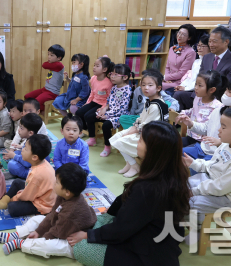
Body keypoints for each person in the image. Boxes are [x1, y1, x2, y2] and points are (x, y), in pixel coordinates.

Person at [68, 121, 190, 266]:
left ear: (153, 150)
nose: (137, 143)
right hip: (160, 241)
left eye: (141, 140)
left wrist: (89, 235)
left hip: (147, 255)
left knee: (83, 249)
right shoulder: (173, 173)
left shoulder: (148, 188)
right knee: (103, 218)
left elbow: (123, 228)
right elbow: (126, 202)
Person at [0, 163, 96, 258]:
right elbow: (53, 215)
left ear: (67, 192)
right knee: (37, 219)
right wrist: (39, 231)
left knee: (48, 245)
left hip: (72, 239)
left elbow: (58, 232)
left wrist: (40, 237)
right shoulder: (63, 196)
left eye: (56, 182)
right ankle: (16, 235)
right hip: (63, 226)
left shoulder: (71, 211)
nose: (53, 184)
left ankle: (22, 243)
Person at [183, 105, 231, 226]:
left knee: (187, 203)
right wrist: (194, 163)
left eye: (223, 127)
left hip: (226, 197)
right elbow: (212, 165)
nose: (219, 130)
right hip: (211, 182)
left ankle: (197, 228)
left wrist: (195, 191)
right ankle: (193, 224)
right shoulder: (225, 145)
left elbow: (221, 187)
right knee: (177, 188)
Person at [181, 77, 231, 166]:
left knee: (194, 170)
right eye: (226, 90)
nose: (225, 94)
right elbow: (206, 128)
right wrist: (191, 123)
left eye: (229, 92)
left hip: (220, 156)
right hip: (202, 148)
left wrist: (220, 143)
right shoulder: (218, 110)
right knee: (175, 154)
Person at [110, 70, 168, 177]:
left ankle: (135, 166)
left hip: (152, 137)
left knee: (121, 140)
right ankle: (129, 163)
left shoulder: (156, 106)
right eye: (143, 85)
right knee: (117, 137)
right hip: (143, 131)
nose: (146, 88)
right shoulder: (149, 101)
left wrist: (134, 130)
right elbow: (140, 118)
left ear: (158, 88)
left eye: (150, 85)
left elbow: (147, 126)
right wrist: (134, 127)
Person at [0, 134, 57, 217]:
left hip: (42, 204)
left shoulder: (37, 174)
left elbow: (27, 196)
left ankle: (6, 202)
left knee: (12, 208)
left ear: (34, 157)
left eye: (25, 149)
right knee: (17, 182)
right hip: (38, 192)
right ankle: (3, 201)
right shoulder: (42, 163)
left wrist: (13, 199)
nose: (22, 150)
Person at [173, 26, 231, 110]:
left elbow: (228, 89)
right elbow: (200, 78)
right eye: (210, 41)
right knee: (178, 95)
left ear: (226, 42)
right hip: (200, 97)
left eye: (214, 41)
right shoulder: (207, 57)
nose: (211, 45)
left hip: (217, 101)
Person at [90, 64, 133, 157]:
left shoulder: (128, 90)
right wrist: (104, 109)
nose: (112, 76)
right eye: (111, 74)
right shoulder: (114, 88)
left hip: (120, 115)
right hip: (110, 112)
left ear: (125, 77)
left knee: (106, 125)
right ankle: (92, 139)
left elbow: (122, 109)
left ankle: (107, 147)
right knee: (89, 116)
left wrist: (107, 115)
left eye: (115, 74)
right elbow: (109, 102)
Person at [176, 70, 225, 148]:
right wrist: (184, 113)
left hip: (203, 143)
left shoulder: (217, 107)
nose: (195, 88)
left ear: (212, 90)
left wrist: (190, 123)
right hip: (191, 136)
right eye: (196, 84)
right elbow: (194, 110)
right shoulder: (197, 98)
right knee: (170, 143)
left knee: (180, 153)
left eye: (200, 85)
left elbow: (209, 128)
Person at [75, 56, 113, 142]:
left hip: (103, 104)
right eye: (94, 65)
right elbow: (92, 92)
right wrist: (87, 103)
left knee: (88, 116)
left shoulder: (108, 83)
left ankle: (92, 138)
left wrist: (103, 108)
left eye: (97, 66)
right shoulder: (93, 78)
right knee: (78, 112)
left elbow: (110, 98)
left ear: (104, 69)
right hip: (94, 101)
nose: (94, 67)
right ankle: (84, 130)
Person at [4, 113, 50, 179]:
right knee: (17, 152)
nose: (19, 130)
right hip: (31, 161)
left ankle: (29, 176)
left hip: (35, 169)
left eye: (21, 128)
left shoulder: (33, 145)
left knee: (12, 165)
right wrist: (19, 149)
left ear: (30, 133)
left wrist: (14, 156)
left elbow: (27, 163)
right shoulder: (32, 139)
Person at [25, 44, 66, 111]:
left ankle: (41, 114)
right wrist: (50, 60)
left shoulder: (59, 65)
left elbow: (44, 65)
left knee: (37, 102)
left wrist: (48, 63)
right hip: (45, 89)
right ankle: (32, 111)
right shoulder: (53, 64)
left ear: (59, 58)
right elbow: (45, 65)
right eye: (48, 54)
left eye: (51, 55)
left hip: (52, 93)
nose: (48, 57)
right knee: (27, 97)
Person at [163, 24, 197, 93]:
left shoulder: (191, 52)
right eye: (179, 32)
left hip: (180, 82)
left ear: (189, 38)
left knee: (155, 86)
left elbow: (182, 73)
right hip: (168, 80)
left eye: (183, 34)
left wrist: (166, 77)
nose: (179, 36)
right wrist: (166, 78)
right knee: (149, 81)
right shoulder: (172, 48)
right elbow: (167, 67)